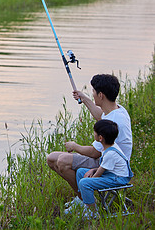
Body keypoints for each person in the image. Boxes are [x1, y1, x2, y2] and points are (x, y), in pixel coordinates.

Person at [46, 74, 132, 212]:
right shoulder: (117, 111)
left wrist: (74, 146)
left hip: (110, 165)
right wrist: (84, 98)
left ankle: (85, 202)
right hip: (107, 159)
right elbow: (100, 116)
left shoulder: (116, 120)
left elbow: (94, 153)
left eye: (93, 92)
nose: (92, 94)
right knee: (51, 158)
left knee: (62, 161)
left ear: (101, 95)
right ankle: (83, 199)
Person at [76, 119, 133, 219]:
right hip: (111, 174)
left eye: (95, 132)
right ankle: (86, 202)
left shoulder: (111, 153)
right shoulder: (109, 146)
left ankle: (92, 212)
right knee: (80, 172)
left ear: (100, 138)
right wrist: (92, 170)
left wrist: (90, 177)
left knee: (84, 183)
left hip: (118, 178)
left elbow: (99, 173)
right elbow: (103, 167)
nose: (93, 134)